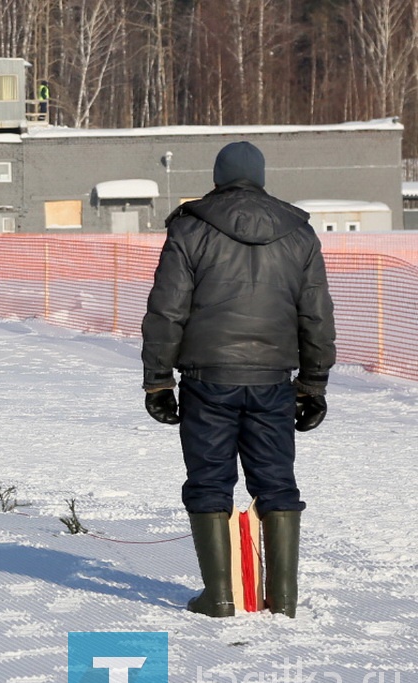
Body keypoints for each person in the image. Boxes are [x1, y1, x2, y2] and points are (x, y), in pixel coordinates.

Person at [141, 141, 336, 619]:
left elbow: (167, 311)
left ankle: (220, 596)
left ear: (217, 176)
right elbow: (317, 316)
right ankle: (284, 600)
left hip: (208, 380)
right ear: (262, 176)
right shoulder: (300, 234)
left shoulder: (190, 227)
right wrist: (313, 385)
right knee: (277, 484)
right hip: (274, 380)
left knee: (209, 482)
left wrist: (158, 381)